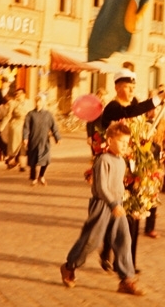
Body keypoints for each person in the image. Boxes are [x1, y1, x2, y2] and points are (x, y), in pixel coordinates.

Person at [60, 121, 145, 296]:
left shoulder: (121, 161)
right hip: (102, 205)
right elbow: (101, 187)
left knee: (124, 239)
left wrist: (124, 199)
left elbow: (119, 184)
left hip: (118, 205)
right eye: (122, 142)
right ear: (110, 140)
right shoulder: (102, 160)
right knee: (91, 241)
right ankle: (69, 266)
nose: (125, 146)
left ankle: (126, 279)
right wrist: (113, 203)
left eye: (127, 143)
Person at [98, 69, 164, 273]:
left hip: (137, 166)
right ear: (117, 87)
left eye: (133, 87)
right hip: (117, 167)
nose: (131, 90)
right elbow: (128, 115)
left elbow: (142, 126)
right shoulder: (113, 108)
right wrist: (158, 99)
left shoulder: (135, 104)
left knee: (134, 214)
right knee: (118, 213)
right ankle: (109, 250)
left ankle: (129, 263)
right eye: (127, 87)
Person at [143, 94, 165, 239]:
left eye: (157, 109)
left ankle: (150, 227)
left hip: (156, 161)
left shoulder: (163, 123)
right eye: (152, 109)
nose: (154, 111)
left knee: (154, 194)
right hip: (141, 160)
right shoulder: (141, 121)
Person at [22, 93, 61, 186]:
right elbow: (26, 127)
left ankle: (41, 176)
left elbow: (54, 127)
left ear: (43, 103)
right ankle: (34, 178)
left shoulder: (48, 115)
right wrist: (25, 138)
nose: (38, 103)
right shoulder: (30, 114)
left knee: (46, 159)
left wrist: (57, 138)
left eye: (40, 102)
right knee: (33, 161)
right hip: (33, 140)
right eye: (36, 102)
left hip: (44, 141)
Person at [0, 88, 33, 170]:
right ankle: (16, 162)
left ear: (24, 94)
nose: (18, 95)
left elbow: (32, 114)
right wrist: (1, 128)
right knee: (15, 146)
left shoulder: (29, 103)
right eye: (16, 94)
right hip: (16, 126)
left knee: (24, 145)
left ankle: (18, 164)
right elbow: (8, 116)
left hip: (26, 125)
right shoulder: (13, 103)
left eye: (20, 94)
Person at [85, 87, 108, 155]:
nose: (105, 98)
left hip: (104, 134)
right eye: (103, 96)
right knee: (96, 154)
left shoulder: (105, 107)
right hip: (95, 135)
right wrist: (89, 136)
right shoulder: (94, 107)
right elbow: (89, 122)